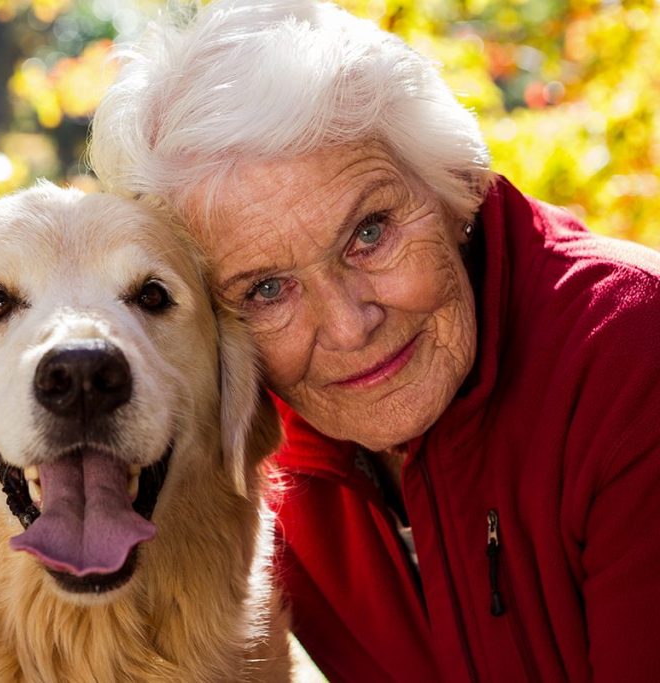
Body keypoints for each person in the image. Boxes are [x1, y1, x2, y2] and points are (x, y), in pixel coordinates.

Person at [88, 1, 660, 680]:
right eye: (266, 289)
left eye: (370, 232)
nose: (349, 323)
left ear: (456, 187)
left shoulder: (631, 353)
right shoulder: (263, 459)